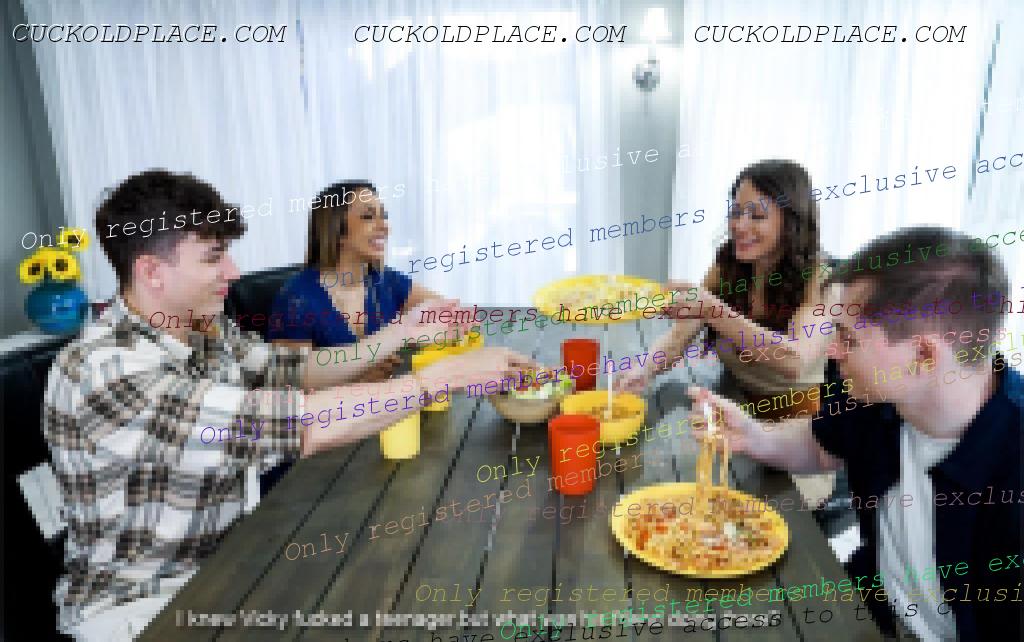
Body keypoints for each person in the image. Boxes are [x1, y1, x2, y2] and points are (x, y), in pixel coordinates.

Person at [44, 170, 532, 640]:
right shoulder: (107, 370)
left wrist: (402, 332)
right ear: (151, 271)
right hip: (144, 606)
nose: (233, 273)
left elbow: (295, 369)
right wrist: (443, 378)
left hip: (231, 562)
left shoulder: (202, 330)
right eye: (214, 258)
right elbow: (299, 424)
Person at [689, 227, 1023, 641]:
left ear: (924, 354)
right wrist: (753, 435)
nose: (831, 350)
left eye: (848, 338)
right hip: (870, 607)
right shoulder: (877, 396)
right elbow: (820, 445)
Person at [618, 159, 841, 506]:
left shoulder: (821, 280)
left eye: (756, 215)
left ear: (791, 221)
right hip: (731, 412)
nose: (739, 225)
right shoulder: (729, 267)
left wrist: (712, 309)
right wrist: (644, 369)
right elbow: (680, 336)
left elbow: (794, 361)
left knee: (745, 518)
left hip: (797, 441)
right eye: (736, 212)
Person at [268, 181, 453, 382]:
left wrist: (411, 340)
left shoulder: (387, 281)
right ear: (337, 230)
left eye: (384, 216)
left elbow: (450, 315)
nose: (384, 227)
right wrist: (354, 376)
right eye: (368, 216)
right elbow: (290, 381)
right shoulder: (296, 300)